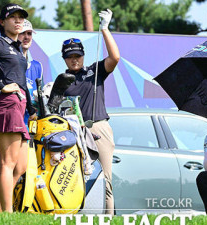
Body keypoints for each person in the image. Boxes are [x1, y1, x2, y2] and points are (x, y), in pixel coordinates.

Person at [0, 3, 37, 213]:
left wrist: (32, 108)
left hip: (20, 109)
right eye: (13, 17)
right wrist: (2, 86)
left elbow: (21, 81)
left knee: (19, 167)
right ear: (3, 22)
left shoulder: (18, 49)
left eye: (21, 17)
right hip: (7, 105)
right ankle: (8, 215)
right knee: (8, 164)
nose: (18, 21)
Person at [61, 9, 119, 215]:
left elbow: (115, 57)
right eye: (70, 56)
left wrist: (105, 29)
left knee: (105, 181)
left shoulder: (95, 71)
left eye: (77, 55)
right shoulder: (61, 81)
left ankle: (109, 218)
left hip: (98, 128)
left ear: (83, 55)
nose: (74, 59)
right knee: (72, 179)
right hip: (74, 133)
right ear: (64, 58)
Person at [18, 19, 43, 124]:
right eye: (23, 33)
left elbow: (40, 95)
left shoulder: (37, 66)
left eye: (29, 33)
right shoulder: (5, 60)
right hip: (13, 119)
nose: (27, 37)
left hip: (32, 122)